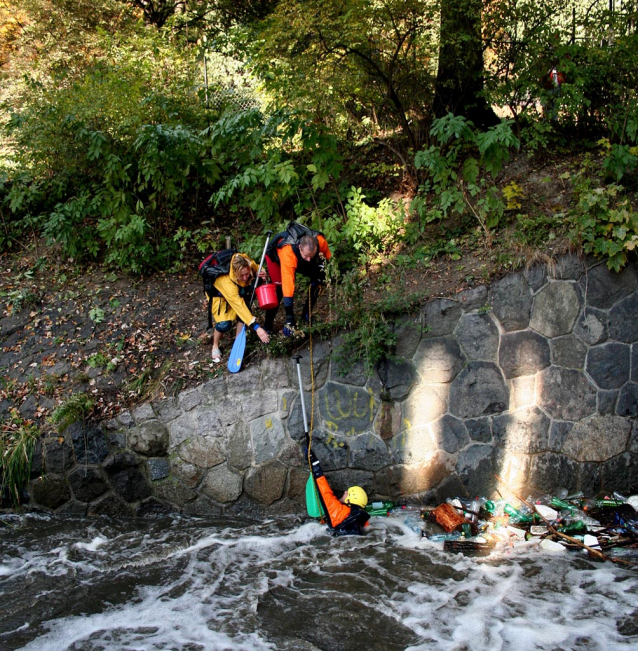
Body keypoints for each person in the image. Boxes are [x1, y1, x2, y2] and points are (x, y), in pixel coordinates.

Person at [264, 223, 332, 335]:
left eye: (312, 256)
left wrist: (323, 272)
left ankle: (306, 314)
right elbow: (288, 284)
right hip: (275, 259)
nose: (309, 259)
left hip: (300, 258)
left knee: (319, 278)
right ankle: (267, 326)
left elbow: (328, 260)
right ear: (300, 247)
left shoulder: (320, 242)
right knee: (280, 290)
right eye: (307, 256)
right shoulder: (288, 252)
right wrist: (290, 319)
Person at [208, 252, 270, 362]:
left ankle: (238, 342)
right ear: (235, 273)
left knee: (244, 312)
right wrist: (257, 327)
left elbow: (258, 268)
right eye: (242, 275)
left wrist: (263, 274)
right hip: (220, 296)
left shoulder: (246, 261)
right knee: (224, 325)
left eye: (247, 273)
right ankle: (215, 345)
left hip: (238, 289)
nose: (246, 277)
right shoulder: (226, 281)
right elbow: (239, 307)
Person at [306, 448, 370, 536]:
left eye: (347, 493)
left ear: (348, 501)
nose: (345, 492)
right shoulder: (363, 520)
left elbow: (324, 489)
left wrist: (314, 462)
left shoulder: (337, 510)